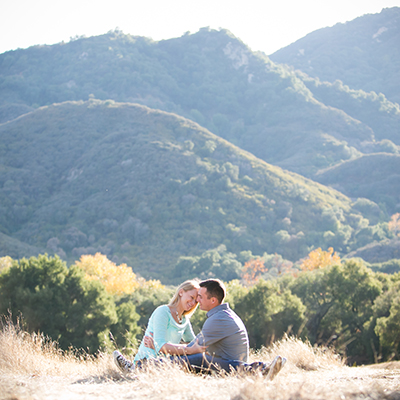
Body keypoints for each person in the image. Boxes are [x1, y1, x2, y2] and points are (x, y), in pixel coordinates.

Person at [114, 278, 286, 379]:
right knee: (196, 357)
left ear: (212, 301)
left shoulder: (216, 319)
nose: (196, 302)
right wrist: (175, 348)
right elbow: (191, 347)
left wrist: (167, 347)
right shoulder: (223, 315)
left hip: (226, 364)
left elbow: (193, 347)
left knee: (198, 358)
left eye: (199, 298)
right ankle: (137, 367)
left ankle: (262, 369)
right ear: (181, 292)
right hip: (226, 362)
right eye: (194, 297)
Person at [113, 279, 206, 371]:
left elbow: (194, 343)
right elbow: (161, 346)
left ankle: (131, 368)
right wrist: (188, 350)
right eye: (192, 297)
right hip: (148, 360)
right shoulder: (163, 312)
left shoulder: (184, 320)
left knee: (199, 357)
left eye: (196, 301)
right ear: (181, 292)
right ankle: (135, 368)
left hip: (166, 360)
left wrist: (158, 346)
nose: (193, 303)